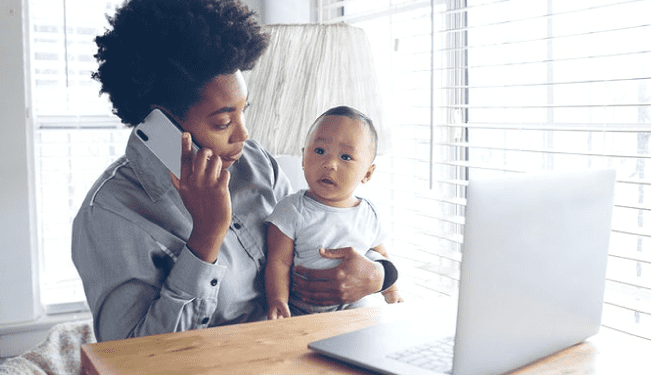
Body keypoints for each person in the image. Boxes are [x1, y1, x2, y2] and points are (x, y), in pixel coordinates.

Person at [71, 0, 397, 342]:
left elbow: (319, 238)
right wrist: (206, 237)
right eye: (224, 121)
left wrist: (381, 274)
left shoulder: (256, 164)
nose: (243, 135)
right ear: (162, 123)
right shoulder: (111, 213)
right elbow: (127, 358)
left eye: (244, 112)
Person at [265, 107, 403, 319]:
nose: (329, 164)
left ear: (367, 173)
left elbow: (381, 255)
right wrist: (278, 300)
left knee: (370, 319)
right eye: (320, 151)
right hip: (301, 309)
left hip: (353, 309)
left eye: (346, 156)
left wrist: (391, 292)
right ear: (303, 157)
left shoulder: (368, 214)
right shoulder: (292, 209)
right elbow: (278, 262)